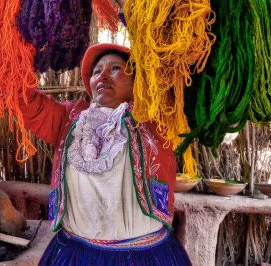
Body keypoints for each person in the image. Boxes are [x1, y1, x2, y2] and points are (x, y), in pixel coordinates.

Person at [18, 3, 192, 265]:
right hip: (74, 253)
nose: (103, 76)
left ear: (138, 80)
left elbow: (170, 62)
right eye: (97, 71)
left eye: (116, 69)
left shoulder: (158, 115)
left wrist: (130, 12)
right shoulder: (69, 119)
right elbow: (23, 98)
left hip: (147, 256)